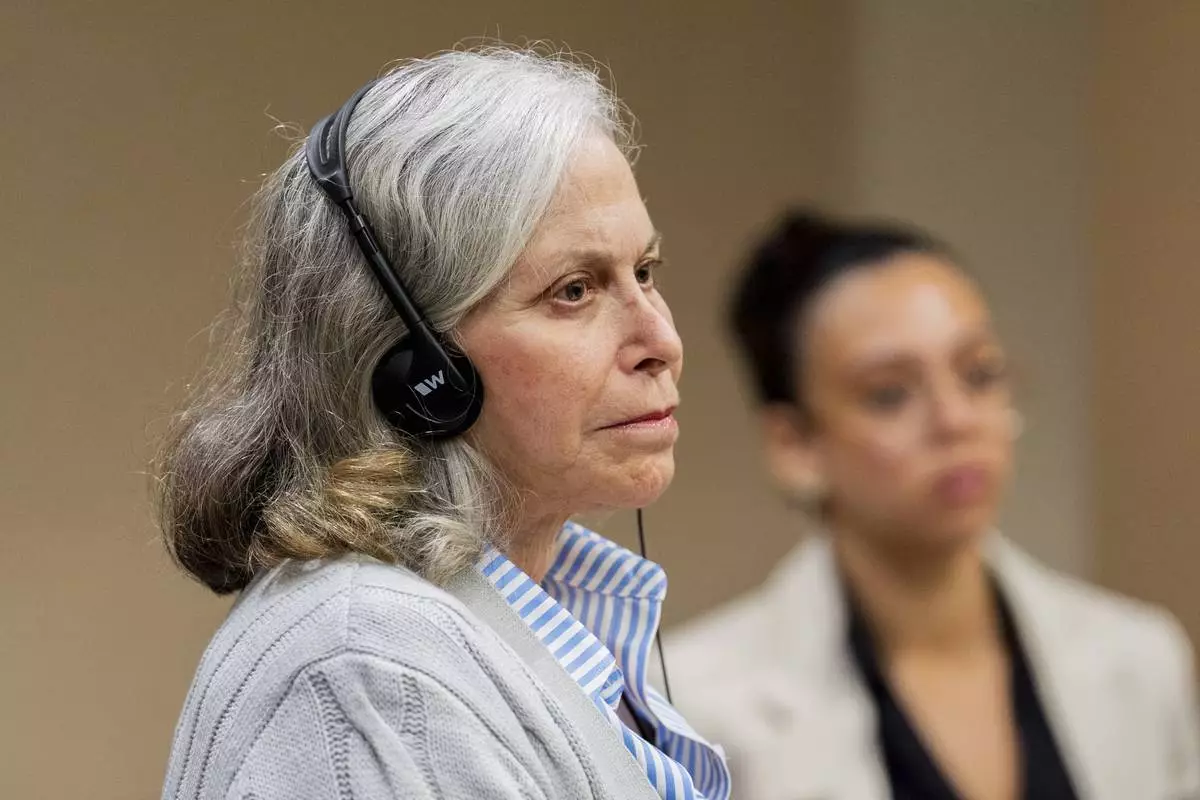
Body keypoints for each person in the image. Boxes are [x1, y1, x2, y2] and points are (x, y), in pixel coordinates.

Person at [156, 47, 729, 800]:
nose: (662, 341)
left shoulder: (531, 617)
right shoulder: (370, 676)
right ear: (419, 364)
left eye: (645, 272)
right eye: (574, 291)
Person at [666, 209, 1200, 800]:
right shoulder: (694, 709)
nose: (955, 420)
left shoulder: (1140, 660)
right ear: (795, 445)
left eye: (979, 373)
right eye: (890, 394)